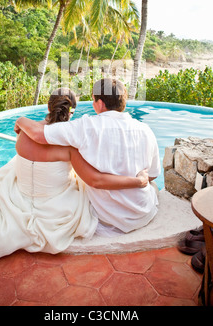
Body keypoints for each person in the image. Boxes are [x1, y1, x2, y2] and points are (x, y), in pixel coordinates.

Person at [0, 88, 147, 268]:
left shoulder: (24, 132)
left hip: (19, 196)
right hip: (56, 209)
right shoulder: (69, 146)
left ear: (48, 107)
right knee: (83, 186)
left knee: (9, 172)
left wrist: (22, 120)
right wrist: (138, 181)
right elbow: (96, 180)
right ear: (71, 112)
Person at [14, 79, 161, 236]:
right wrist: (138, 180)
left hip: (109, 217)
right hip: (144, 212)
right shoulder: (146, 130)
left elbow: (38, 134)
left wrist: (20, 120)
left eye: (93, 99)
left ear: (100, 103)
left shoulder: (85, 127)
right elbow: (152, 175)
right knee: (155, 189)